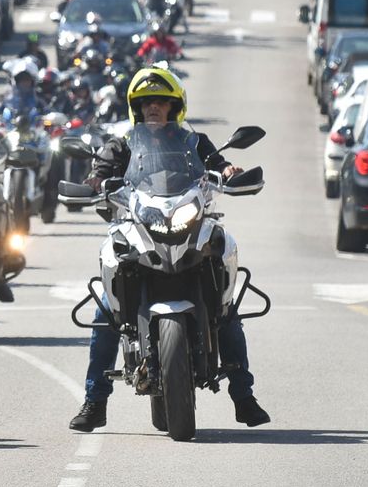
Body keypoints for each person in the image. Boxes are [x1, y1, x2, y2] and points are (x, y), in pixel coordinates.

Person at [68, 67, 270, 432]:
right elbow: (99, 173)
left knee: (226, 309)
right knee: (106, 312)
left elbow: (219, 166)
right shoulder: (124, 144)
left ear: (175, 106)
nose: (153, 108)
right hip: (140, 225)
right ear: (136, 108)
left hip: (189, 221)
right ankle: (95, 401)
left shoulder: (195, 143)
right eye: (146, 103)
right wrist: (95, 181)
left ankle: (244, 395)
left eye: (161, 101)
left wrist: (228, 171)